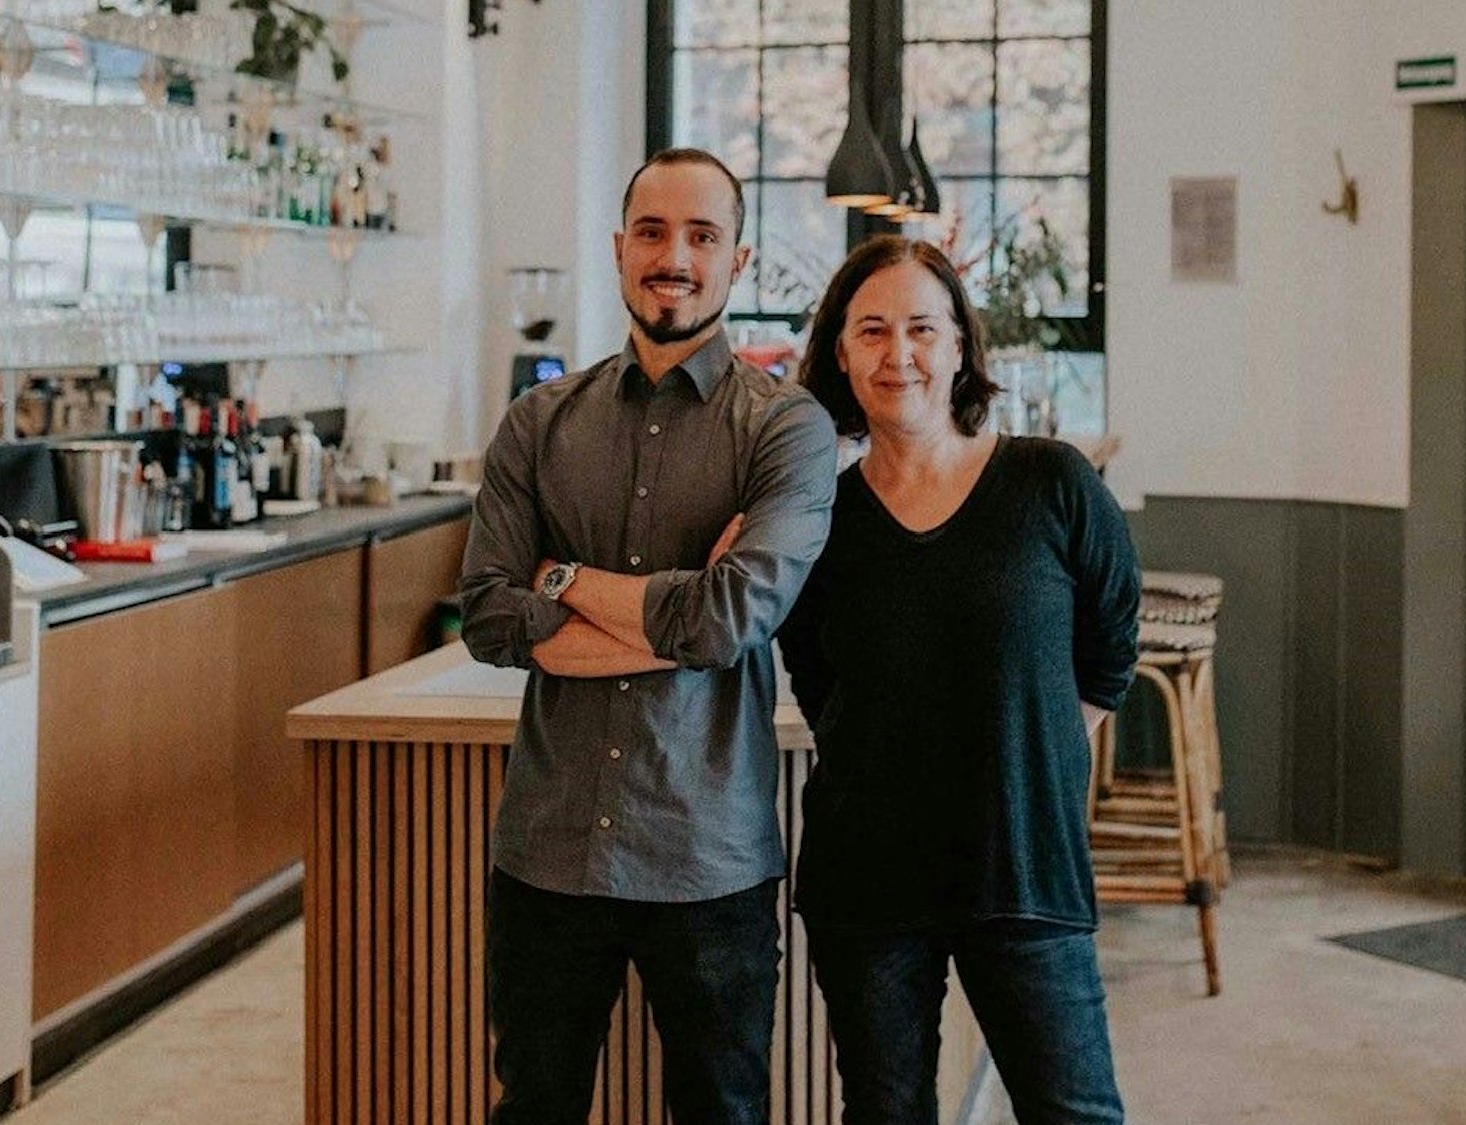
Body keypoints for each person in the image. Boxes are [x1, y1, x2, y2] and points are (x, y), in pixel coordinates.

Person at [457, 148, 838, 1124]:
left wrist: (567, 582)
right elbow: (492, 618)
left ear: (737, 260)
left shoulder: (785, 429)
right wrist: (680, 609)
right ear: (619, 247)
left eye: (702, 235)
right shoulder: (536, 423)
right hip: (545, 853)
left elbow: (732, 618)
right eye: (654, 232)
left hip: (710, 857)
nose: (675, 256)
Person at [777, 235, 1139, 1124]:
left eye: (920, 328)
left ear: (961, 348)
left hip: (1024, 866)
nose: (898, 353)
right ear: (840, 353)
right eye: (871, 330)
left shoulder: (1049, 481)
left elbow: (1111, 647)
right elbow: (819, 681)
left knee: (1076, 1112)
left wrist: (1032, 748)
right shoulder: (820, 523)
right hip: (868, 880)